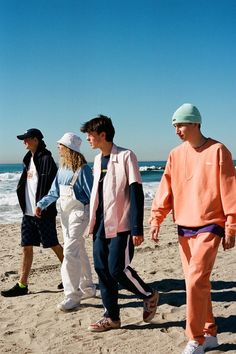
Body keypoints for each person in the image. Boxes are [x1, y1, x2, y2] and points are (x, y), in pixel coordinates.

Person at [149, 103, 236, 354]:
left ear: (196, 123)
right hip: (184, 226)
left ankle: (195, 338)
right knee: (197, 282)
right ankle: (210, 333)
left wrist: (231, 225)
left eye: (181, 124)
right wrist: (156, 219)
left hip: (211, 224)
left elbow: (230, 190)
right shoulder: (175, 154)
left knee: (196, 279)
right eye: (174, 126)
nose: (177, 130)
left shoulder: (219, 150)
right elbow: (165, 189)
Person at [80, 114, 159, 332]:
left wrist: (137, 227)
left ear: (102, 134)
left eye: (90, 134)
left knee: (117, 270)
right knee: (102, 271)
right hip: (99, 226)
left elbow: (136, 191)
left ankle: (149, 294)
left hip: (121, 225)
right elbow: (98, 195)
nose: (88, 138)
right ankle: (112, 317)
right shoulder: (96, 160)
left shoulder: (126, 156)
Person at [35, 132, 96, 311]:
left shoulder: (83, 169)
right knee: (78, 248)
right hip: (64, 213)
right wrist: (41, 204)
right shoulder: (61, 169)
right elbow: (54, 192)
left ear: (69, 148)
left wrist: (96, 218)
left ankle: (72, 295)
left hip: (79, 213)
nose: (58, 148)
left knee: (69, 252)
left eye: (60, 145)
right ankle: (88, 287)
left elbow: (93, 195)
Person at [1, 128, 64, 297]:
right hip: (27, 213)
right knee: (26, 247)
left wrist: (43, 206)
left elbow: (53, 188)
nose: (24, 142)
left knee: (53, 244)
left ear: (36, 140)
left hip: (43, 213)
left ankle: (70, 276)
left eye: (27, 139)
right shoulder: (28, 159)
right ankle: (22, 285)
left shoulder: (47, 159)